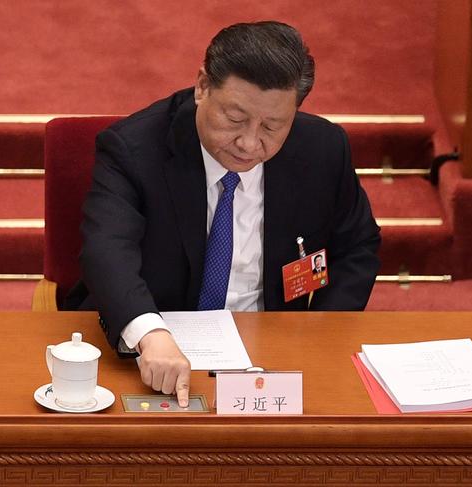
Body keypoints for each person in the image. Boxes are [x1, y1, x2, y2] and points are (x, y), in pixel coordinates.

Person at [64, 21, 381, 407]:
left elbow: (357, 245)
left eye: (272, 126)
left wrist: (319, 332)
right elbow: (106, 250)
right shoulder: (133, 150)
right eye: (235, 119)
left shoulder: (323, 149)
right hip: (158, 345)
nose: (249, 143)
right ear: (202, 87)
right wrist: (150, 332)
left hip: (273, 348)